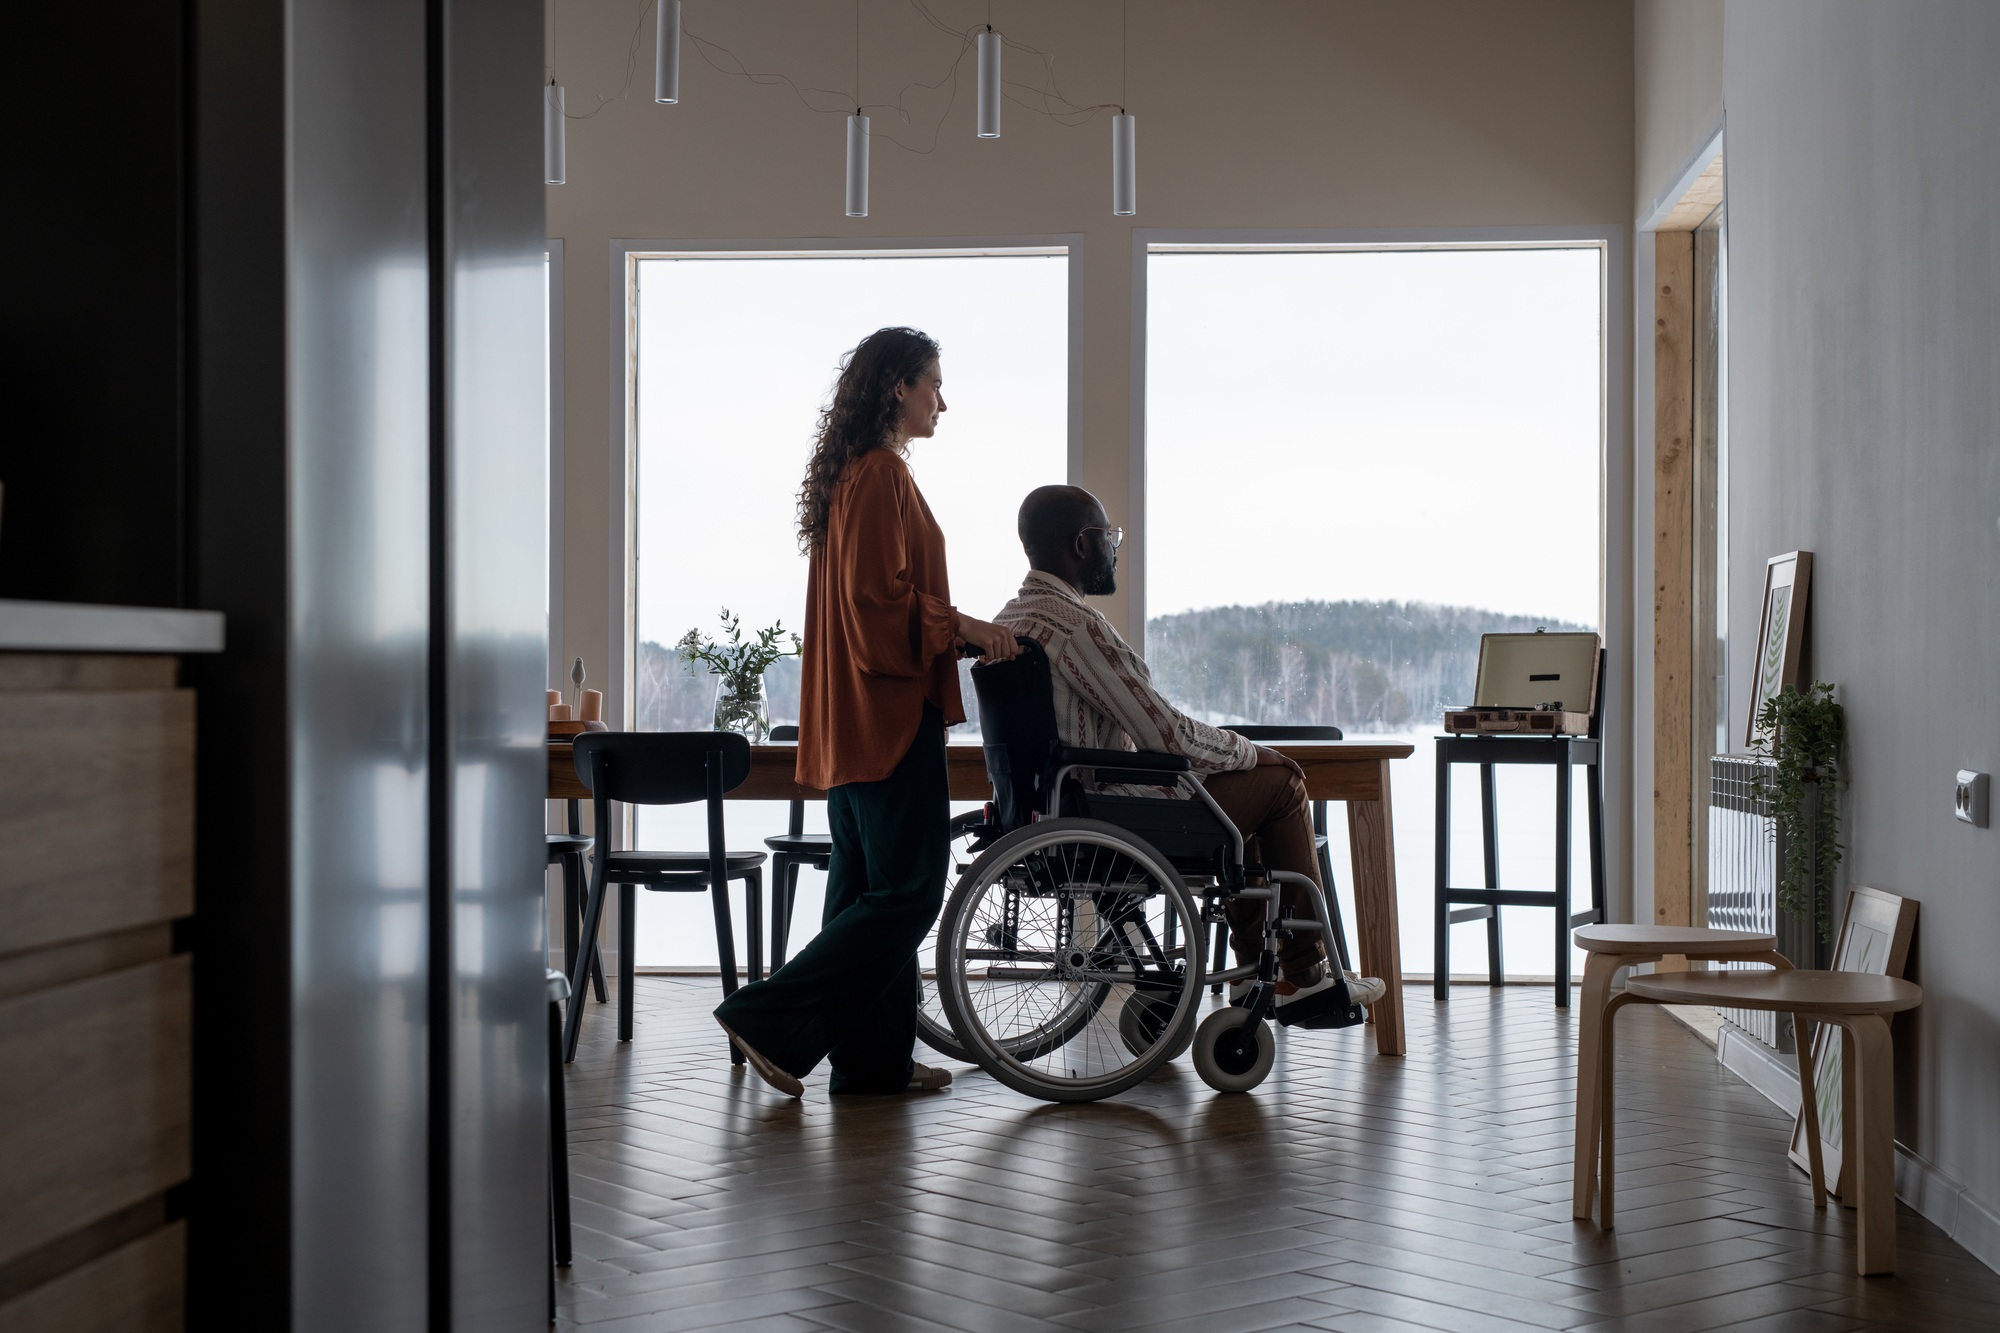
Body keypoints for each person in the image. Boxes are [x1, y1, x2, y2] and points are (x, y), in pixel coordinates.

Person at [714, 327, 1020, 1098]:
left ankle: (869, 1062)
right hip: (885, 719)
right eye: (933, 385)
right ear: (897, 388)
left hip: (850, 721)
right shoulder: (880, 474)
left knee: (861, 893)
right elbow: (877, 607)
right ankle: (765, 1016)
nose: (942, 401)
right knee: (910, 891)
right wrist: (966, 628)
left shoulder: (852, 476)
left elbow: (864, 604)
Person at [991, 484, 1386, 1026]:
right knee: (1282, 786)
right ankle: (1300, 972)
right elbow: (1167, 737)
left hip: (1049, 812)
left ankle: (1255, 976)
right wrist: (1251, 753)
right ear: (1082, 544)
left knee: (1234, 807)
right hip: (1109, 815)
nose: (1115, 549)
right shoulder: (1077, 627)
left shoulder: (1011, 619)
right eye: (1111, 537)